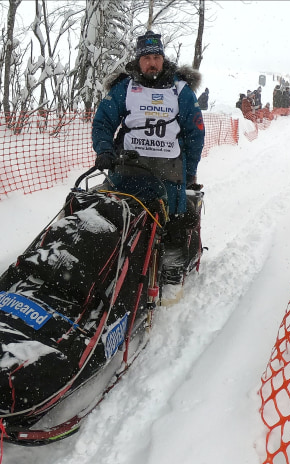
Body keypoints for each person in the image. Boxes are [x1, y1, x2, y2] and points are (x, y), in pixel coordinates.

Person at [91, 30, 205, 284]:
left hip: (170, 173)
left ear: (163, 59)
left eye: (156, 56)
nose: (152, 63)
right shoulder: (126, 87)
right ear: (138, 60)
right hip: (128, 169)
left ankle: (170, 278)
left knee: (171, 227)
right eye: (147, 58)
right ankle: (115, 271)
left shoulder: (181, 89)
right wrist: (105, 151)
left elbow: (195, 132)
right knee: (120, 222)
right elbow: (103, 122)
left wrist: (190, 172)